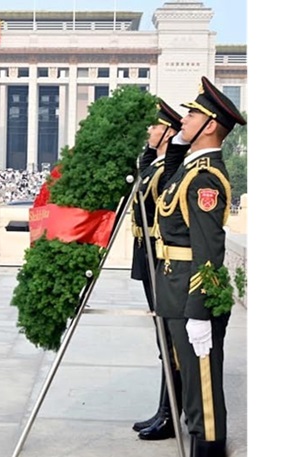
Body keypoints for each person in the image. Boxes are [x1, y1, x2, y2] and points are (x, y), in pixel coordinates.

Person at [153, 76, 246, 457]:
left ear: (210, 125)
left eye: (192, 114)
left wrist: (200, 310)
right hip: (175, 288)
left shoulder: (205, 178)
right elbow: (163, 181)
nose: (184, 119)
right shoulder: (190, 169)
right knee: (191, 384)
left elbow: (210, 250)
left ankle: (209, 451)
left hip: (191, 291)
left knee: (203, 389)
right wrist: (175, 144)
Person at [130, 99, 189, 440]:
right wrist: (148, 151)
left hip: (159, 255)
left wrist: (160, 152)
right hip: (147, 254)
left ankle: (170, 416)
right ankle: (162, 410)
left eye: (155, 126)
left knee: (169, 340)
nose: (150, 130)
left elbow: (153, 195)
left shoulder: (170, 166)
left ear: (167, 131)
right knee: (161, 338)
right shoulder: (155, 163)